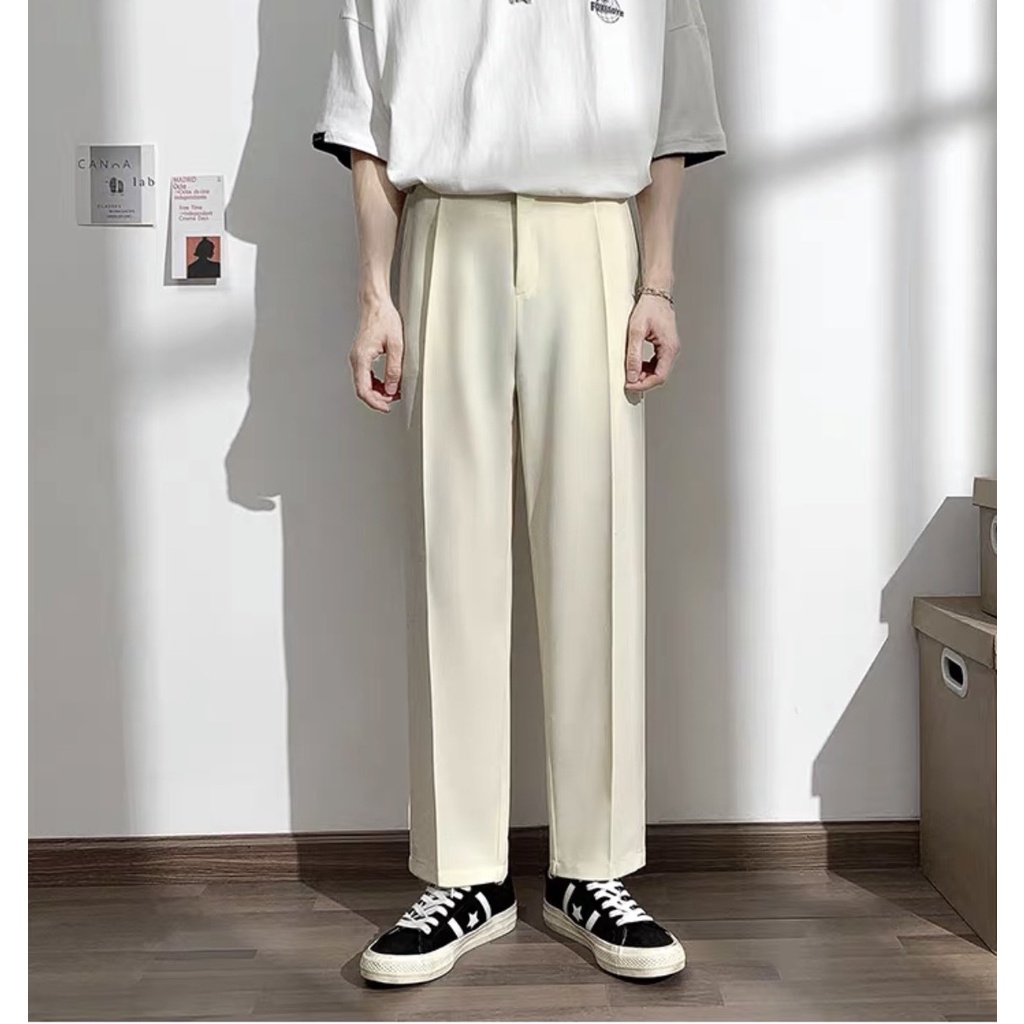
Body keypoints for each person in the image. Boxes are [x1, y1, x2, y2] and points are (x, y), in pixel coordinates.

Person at [311, 0, 726, 987]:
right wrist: (375, 292)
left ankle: (593, 869)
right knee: (450, 562)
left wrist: (657, 283)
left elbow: (672, 115)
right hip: (444, 228)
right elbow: (368, 123)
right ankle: (462, 876)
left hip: (594, 238)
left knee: (595, 557)